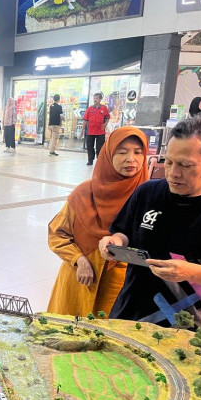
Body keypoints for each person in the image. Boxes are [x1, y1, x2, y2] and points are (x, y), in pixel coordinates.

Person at [98, 116, 201, 332]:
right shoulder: (147, 192)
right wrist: (114, 241)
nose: (173, 173)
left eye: (185, 165)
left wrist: (190, 272)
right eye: (169, 162)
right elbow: (124, 231)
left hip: (186, 328)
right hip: (128, 316)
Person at [47, 127, 149, 317]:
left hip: (121, 285)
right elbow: (57, 233)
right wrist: (79, 260)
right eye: (122, 152)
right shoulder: (84, 193)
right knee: (69, 335)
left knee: (110, 338)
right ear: (109, 154)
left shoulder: (150, 197)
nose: (131, 159)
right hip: (79, 280)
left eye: (138, 152)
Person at [82, 92, 110, 165]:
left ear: (100, 99)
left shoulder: (104, 108)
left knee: (100, 148)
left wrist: (105, 124)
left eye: (97, 98)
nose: (95, 100)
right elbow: (85, 120)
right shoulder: (89, 109)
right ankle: (90, 160)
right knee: (90, 146)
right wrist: (82, 130)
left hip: (100, 131)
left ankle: (99, 161)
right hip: (90, 131)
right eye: (94, 98)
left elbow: (107, 117)